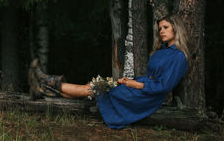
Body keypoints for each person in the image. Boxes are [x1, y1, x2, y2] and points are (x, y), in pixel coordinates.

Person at [28, 14, 189, 129]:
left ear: (176, 29)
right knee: (91, 88)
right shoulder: (161, 50)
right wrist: (131, 82)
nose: (161, 31)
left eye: (165, 27)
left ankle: (44, 81)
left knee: (91, 89)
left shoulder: (179, 57)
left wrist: (134, 84)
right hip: (140, 89)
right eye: (160, 28)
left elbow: (163, 87)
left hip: (146, 98)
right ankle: (42, 87)